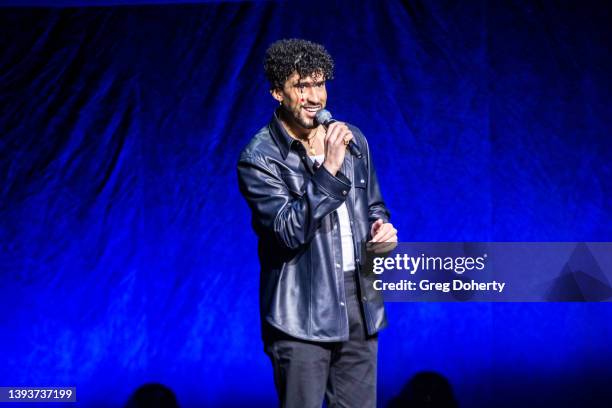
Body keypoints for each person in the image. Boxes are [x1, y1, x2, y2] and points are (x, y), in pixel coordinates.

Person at [237, 38, 398, 408]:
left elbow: (374, 206)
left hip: (360, 299)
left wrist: (381, 231)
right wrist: (328, 168)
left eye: (319, 84)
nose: (314, 97)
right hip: (300, 314)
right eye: (301, 86)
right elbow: (288, 232)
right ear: (277, 92)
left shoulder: (352, 139)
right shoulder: (260, 158)